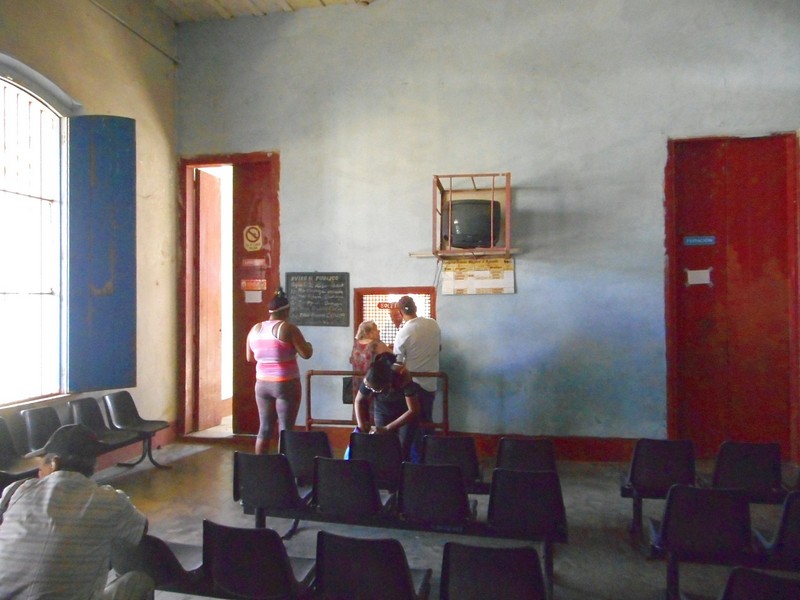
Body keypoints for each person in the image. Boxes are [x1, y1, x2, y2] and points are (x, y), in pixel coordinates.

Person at [0, 424, 153, 600]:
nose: (39, 471)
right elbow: (141, 529)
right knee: (139, 581)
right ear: (92, 466)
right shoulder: (111, 501)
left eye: (41, 463)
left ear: (54, 462)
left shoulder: (16, 490)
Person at [246, 286, 313, 454]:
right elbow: (306, 354)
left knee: (265, 428)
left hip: (262, 384)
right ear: (287, 310)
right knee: (286, 429)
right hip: (285, 383)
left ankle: (260, 465)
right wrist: (308, 345)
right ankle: (284, 465)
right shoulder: (287, 328)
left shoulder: (255, 329)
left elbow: (250, 358)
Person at [392, 295, 442, 460]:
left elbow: (397, 363)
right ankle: (430, 459)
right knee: (427, 423)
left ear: (400, 312)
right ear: (416, 308)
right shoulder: (433, 324)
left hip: (412, 385)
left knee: (409, 426)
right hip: (431, 382)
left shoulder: (404, 333)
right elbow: (438, 347)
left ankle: (406, 462)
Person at [353, 352, 421, 461]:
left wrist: (387, 428)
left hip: (405, 411)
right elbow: (358, 401)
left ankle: (403, 469)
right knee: (382, 444)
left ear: (388, 384)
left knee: (403, 448)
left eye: (377, 390)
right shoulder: (369, 378)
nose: (373, 391)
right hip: (382, 409)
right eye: (371, 389)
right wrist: (361, 427)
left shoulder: (402, 375)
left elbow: (413, 410)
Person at [349, 320, 391, 399]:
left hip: (357, 381)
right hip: (372, 380)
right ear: (369, 332)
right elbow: (393, 357)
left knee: (359, 401)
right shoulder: (376, 344)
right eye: (376, 329)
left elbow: (351, 360)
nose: (379, 331)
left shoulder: (356, 344)